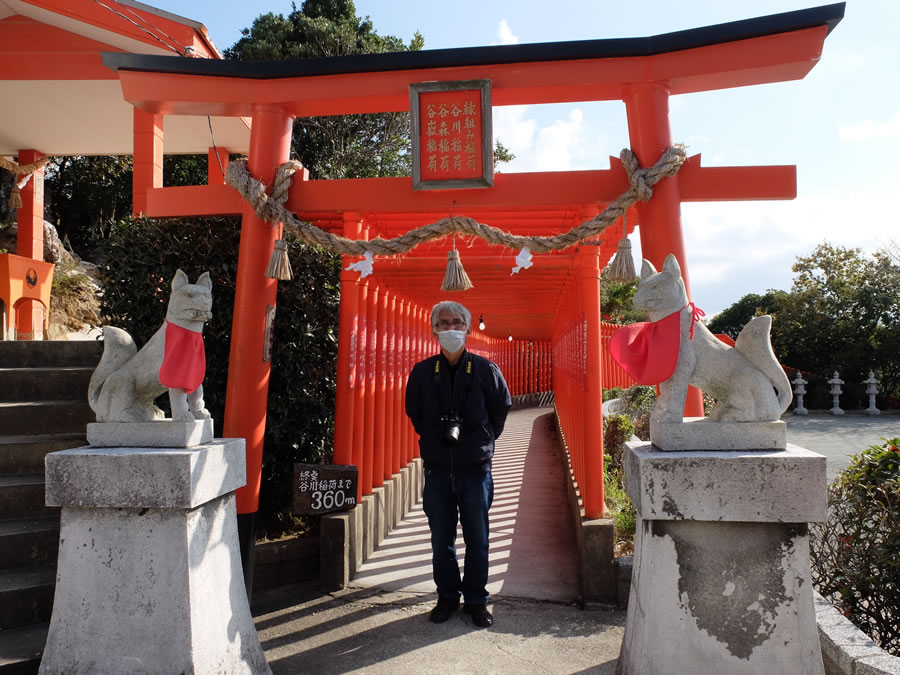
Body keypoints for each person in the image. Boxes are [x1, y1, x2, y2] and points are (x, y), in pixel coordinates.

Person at [405, 301, 511, 628]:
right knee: (442, 540)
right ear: (434, 329)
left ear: (467, 328)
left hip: (475, 471)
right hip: (438, 471)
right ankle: (447, 597)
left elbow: (500, 411)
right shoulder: (423, 373)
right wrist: (437, 441)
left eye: (456, 322)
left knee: (478, 539)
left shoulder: (484, 369)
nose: (450, 328)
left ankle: (477, 600)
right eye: (444, 322)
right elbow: (415, 413)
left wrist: (480, 442)